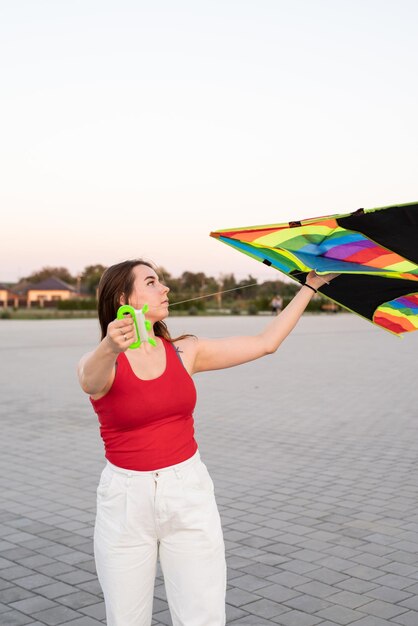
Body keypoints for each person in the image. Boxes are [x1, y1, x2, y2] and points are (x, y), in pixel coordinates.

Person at [77, 259, 337, 626]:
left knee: (203, 616)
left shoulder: (185, 351)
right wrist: (109, 346)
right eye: (152, 282)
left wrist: (309, 286)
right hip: (125, 502)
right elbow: (89, 381)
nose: (165, 288)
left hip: (188, 491)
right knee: (125, 619)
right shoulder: (102, 361)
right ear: (124, 298)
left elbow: (266, 343)